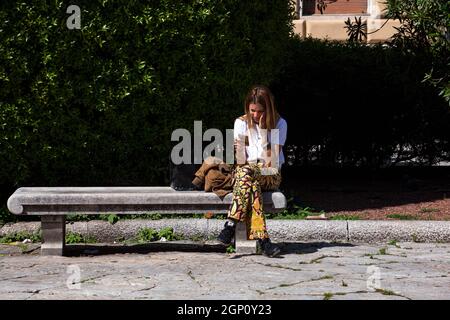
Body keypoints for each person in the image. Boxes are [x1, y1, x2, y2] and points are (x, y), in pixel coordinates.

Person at [217, 85, 287, 257]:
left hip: (271, 174)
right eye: (252, 110)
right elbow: (241, 161)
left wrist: (263, 133)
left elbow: (271, 162)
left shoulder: (280, 123)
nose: (255, 115)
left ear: (268, 109)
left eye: (260, 111)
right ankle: (264, 241)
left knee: (248, 174)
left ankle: (231, 223)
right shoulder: (240, 123)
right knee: (251, 182)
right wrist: (240, 150)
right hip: (248, 175)